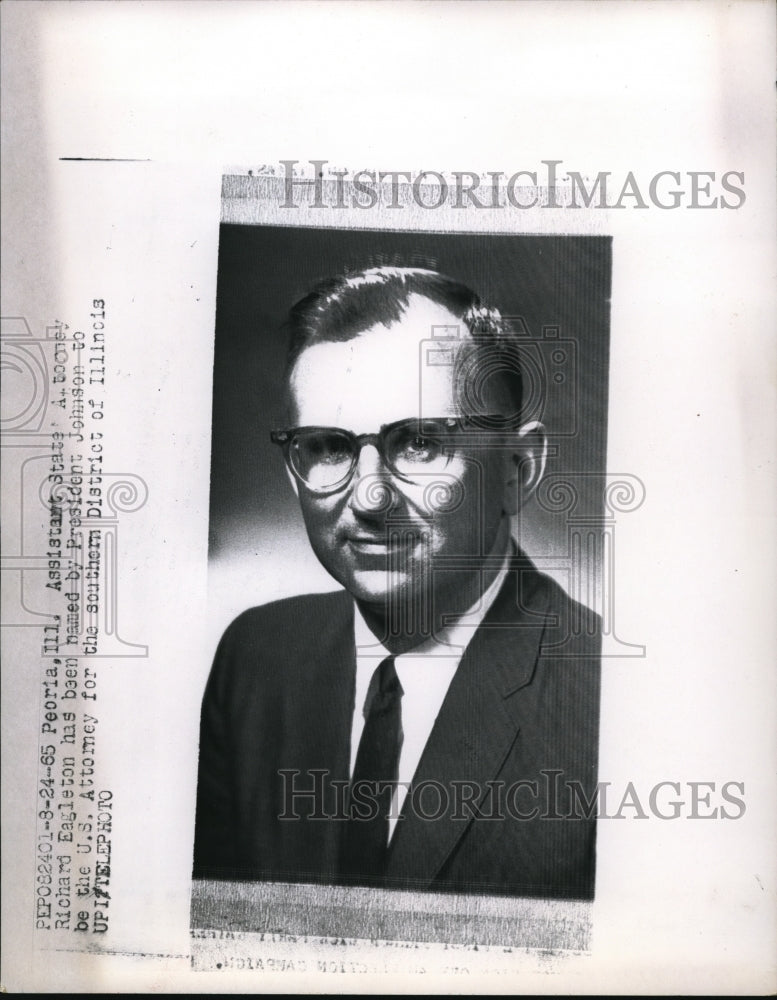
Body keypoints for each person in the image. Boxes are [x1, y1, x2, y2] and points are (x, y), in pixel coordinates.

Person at [193, 266, 601, 899]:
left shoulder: (610, 700)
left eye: (418, 442)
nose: (372, 495)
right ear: (292, 471)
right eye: (328, 446)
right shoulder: (255, 657)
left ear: (517, 470)